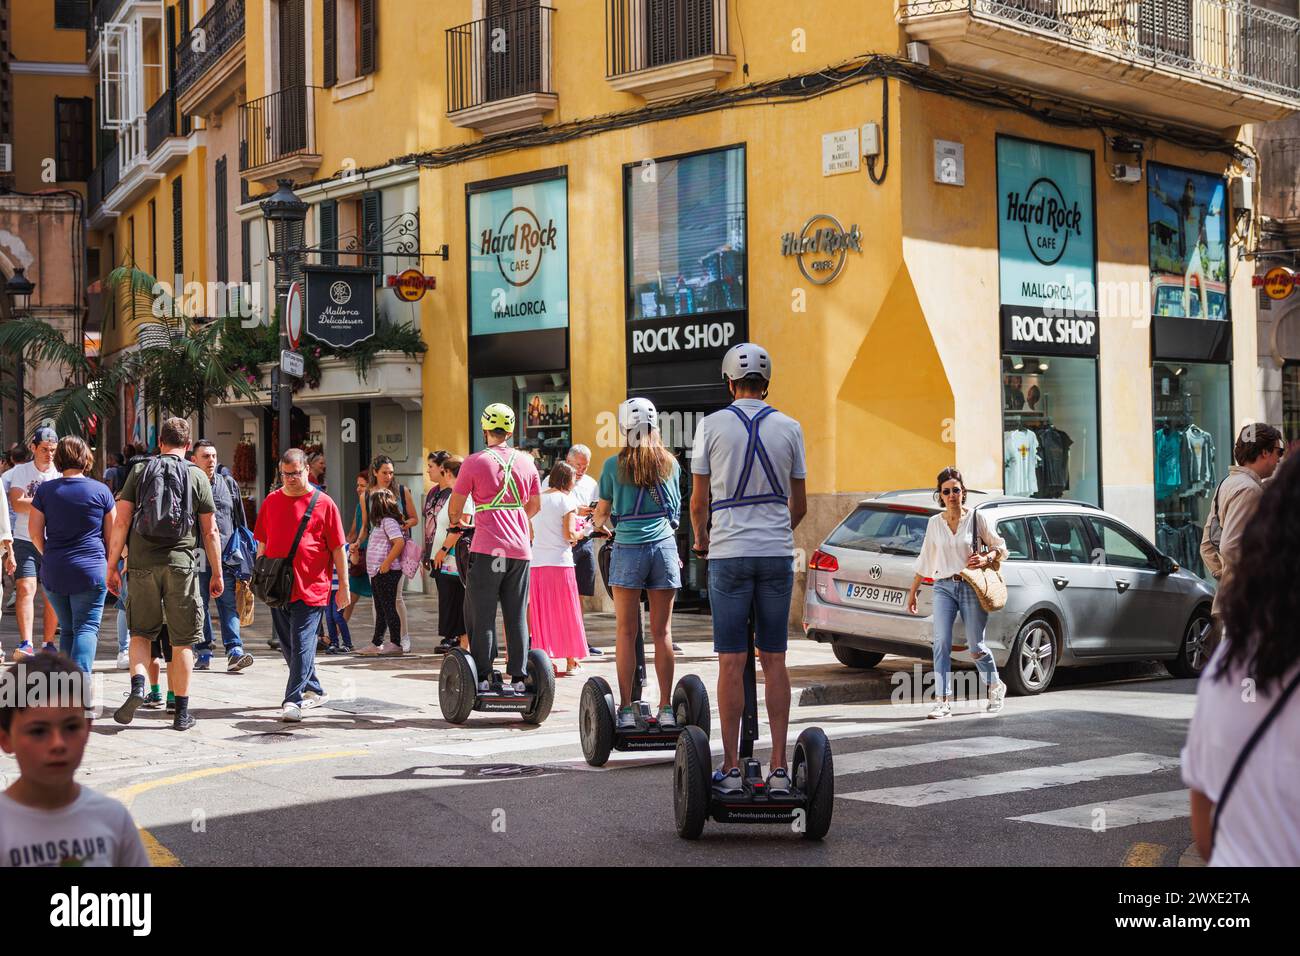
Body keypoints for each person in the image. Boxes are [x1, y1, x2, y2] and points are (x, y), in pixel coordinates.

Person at [689, 344, 807, 792]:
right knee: (774, 659)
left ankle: (733, 766)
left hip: (729, 554)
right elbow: (799, 505)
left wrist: (702, 539)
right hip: (776, 553)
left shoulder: (711, 426)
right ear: (767, 384)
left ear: (730, 383)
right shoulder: (790, 427)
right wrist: (776, 530)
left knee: (732, 660)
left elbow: (699, 501)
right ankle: (779, 767)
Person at [1183, 454, 1300, 866]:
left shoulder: (1228, 663)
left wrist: (1223, 579)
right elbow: (1227, 543)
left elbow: (1204, 820)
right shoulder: (1247, 489)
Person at [107, 417, 223, 732]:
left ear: (160, 442)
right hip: (182, 564)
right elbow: (210, 530)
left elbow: (121, 521)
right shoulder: (197, 475)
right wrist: (217, 572)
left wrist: (113, 565)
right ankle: (182, 712)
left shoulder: (140, 471)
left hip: (142, 563)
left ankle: (139, 687)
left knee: (141, 633)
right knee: (183, 640)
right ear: (188, 446)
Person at [0, 653, 150, 867]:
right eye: (38, 731)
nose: (57, 744)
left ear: (88, 729)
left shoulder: (113, 819)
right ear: (5, 739)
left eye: (71, 727)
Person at [593, 398, 682, 730]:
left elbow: (601, 515)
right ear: (655, 426)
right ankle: (667, 707)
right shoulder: (671, 464)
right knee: (663, 633)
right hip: (663, 548)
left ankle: (628, 709)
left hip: (629, 548)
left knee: (626, 632)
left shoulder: (612, 466)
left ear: (623, 429)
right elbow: (675, 512)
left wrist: (605, 523)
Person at [448, 403, 542, 694]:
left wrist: (456, 523)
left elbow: (456, 505)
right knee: (516, 614)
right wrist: (515, 518)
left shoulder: (474, 462)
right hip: (519, 551)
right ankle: (517, 677)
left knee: (482, 612)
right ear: (511, 430)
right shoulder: (527, 462)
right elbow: (535, 505)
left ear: (485, 429)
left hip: (489, 549)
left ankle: (485, 676)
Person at [905, 467, 1010, 720]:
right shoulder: (934, 524)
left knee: (976, 646)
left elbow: (1001, 547)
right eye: (946, 491)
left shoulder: (976, 519)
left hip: (971, 586)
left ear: (963, 493)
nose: (952, 495)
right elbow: (925, 559)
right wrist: (913, 591)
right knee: (940, 643)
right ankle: (943, 701)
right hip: (943, 586)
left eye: (956, 490)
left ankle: (995, 685)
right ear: (940, 495)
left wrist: (985, 557)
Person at [253, 449, 350, 722]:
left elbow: (338, 549)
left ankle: (292, 700)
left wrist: (343, 586)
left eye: (296, 473)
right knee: (288, 646)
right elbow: (262, 542)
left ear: (307, 470)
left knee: (303, 644)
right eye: (287, 474)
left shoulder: (324, 503)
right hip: (277, 587)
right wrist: (259, 574)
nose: (292, 478)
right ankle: (315, 689)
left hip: (312, 587)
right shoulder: (271, 502)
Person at [27, 437, 115, 675]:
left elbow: (34, 532)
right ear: (86, 458)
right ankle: (80, 690)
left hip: (55, 568)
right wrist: (112, 566)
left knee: (67, 628)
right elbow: (112, 537)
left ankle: (66, 692)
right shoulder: (101, 491)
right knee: (86, 628)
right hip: (91, 568)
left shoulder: (45, 491)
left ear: (59, 459)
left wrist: (49, 553)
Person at [1200, 423, 1284, 636]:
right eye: (1278, 451)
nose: (1279, 459)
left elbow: (1208, 545)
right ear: (1264, 452)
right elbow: (1230, 547)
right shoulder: (1249, 490)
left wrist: (1226, 574)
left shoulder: (1228, 484)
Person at [191, 440, 254, 673]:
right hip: (196, 554)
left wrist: (245, 551)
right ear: (194, 459)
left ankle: (234, 650)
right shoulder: (188, 485)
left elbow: (239, 521)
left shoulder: (228, 483)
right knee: (199, 604)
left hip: (226, 554)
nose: (211, 460)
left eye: (214, 456)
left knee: (228, 603)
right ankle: (204, 650)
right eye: (206, 456)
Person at [542, 444, 604, 657]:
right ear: (568, 462)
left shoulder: (591, 483)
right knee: (557, 597)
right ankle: (558, 641)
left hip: (584, 541)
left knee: (579, 595)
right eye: (578, 465)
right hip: (560, 546)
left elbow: (596, 511)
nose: (581, 470)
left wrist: (596, 525)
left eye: (585, 466)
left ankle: (579, 640)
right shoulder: (549, 485)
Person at [529, 461, 589, 676]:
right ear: (567, 479)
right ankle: (572, 661)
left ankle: (545, 662)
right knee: (567, 611)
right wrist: (585, 532)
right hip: (560, 563)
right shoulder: (566, 501)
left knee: (541, 614)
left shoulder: (537, 500)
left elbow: (531, 533)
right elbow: (569, 534)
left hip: (537, 563)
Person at [6, 427, 60, 660]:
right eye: (45, 449)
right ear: (33, 448)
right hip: (24, 539)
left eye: (53, 450)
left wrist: (34, 502)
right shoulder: (21, 471)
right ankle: (26, 643)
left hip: (52, 540)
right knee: (26, 588)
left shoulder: (59, 473)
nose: (49, 454)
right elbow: (17, 503)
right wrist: (47, 501)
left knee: (51, 593)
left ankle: (48, 643)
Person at [363, 455, 417, 652]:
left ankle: (401, 639)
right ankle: (379, 641)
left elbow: (413, 520)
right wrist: (356, 544)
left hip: (391, 559)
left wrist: (399, 525)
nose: (388, 476)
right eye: (384, 472)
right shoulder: (368, 495)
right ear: (375, 472)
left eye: (391, 472)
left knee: (394, 600)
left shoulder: (402, 492)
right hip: (376, 559)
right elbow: (365, 525)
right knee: (379, 602)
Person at [426, 454, 469, 653]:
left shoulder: (462, 497)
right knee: (450, 603)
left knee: (457, 603)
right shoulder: (452, 495)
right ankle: (458, 643)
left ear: (450, 473)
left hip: (454, 561)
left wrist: (442, 551)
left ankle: (462, 645)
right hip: (446, 561)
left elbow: (459, 528)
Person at [358, 487, 406, 657]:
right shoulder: (380, 523)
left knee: (388, 608)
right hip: (378, 573)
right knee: (381, 609)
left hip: (387, 572)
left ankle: (395, 643)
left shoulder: (388, 522)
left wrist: (386, 563)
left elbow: (399, 542)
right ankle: (376, 642)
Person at [345, 470, 372, 621]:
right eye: (357, 485)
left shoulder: (377, 504)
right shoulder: (359, 506)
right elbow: (352, 532)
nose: (358, 488)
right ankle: (335, 634)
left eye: (362, 485)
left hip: (375, 557)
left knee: (381, 601)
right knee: (350, 597)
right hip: (360, 558)